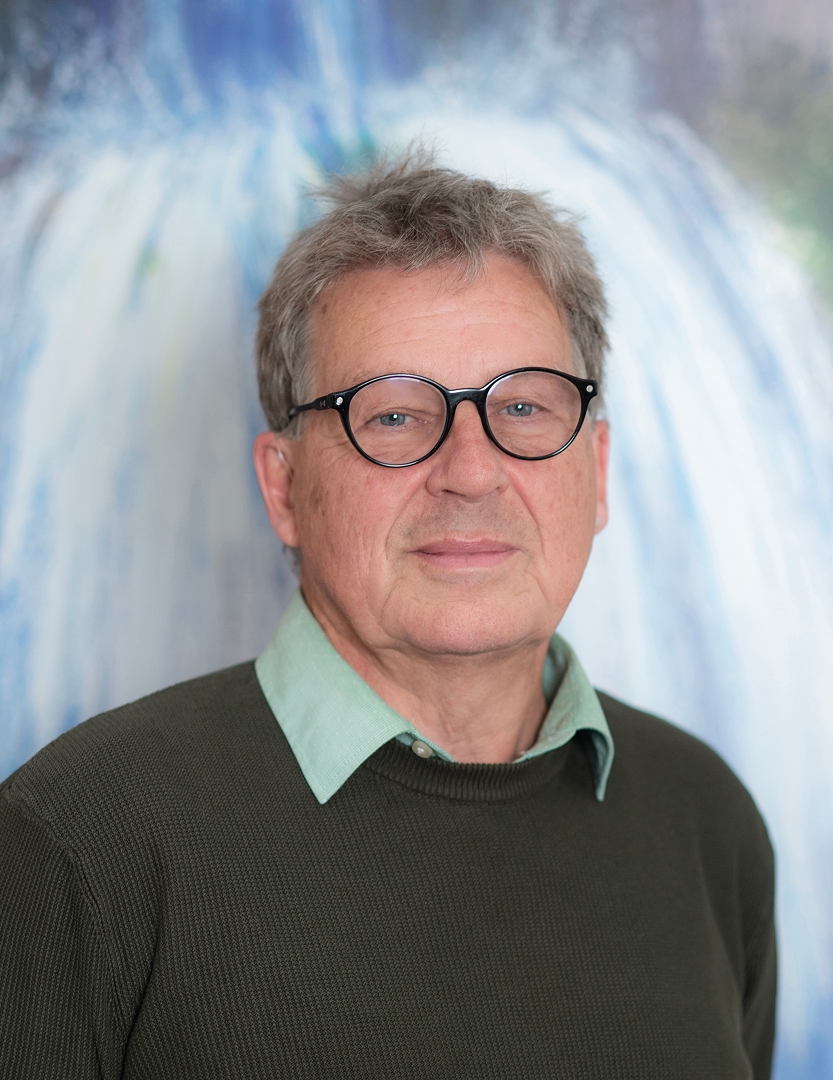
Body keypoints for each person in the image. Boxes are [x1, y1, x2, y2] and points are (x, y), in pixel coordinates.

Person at [0, 154, 775, 1079]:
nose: (471, 472)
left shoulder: (706, 821)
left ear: (596, 472)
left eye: (523, 406)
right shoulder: (79, 839)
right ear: (284, 488)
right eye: (395, 417)